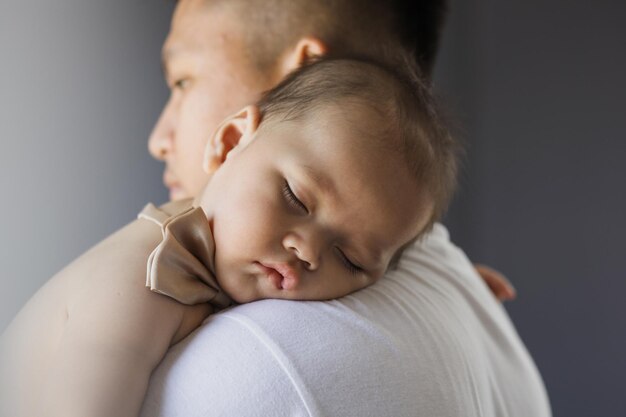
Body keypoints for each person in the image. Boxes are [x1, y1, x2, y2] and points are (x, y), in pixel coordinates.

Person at [138, 1, 550, 416]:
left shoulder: (255, 363)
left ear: (303, 73)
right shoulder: (445, 281)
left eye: (183, 81)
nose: (159, 138)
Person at [0, 57, 458, 417]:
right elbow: (79, 402)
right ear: (231, 140)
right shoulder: (148, 273)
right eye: (295, 199)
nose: (309, 251)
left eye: (351, 259)